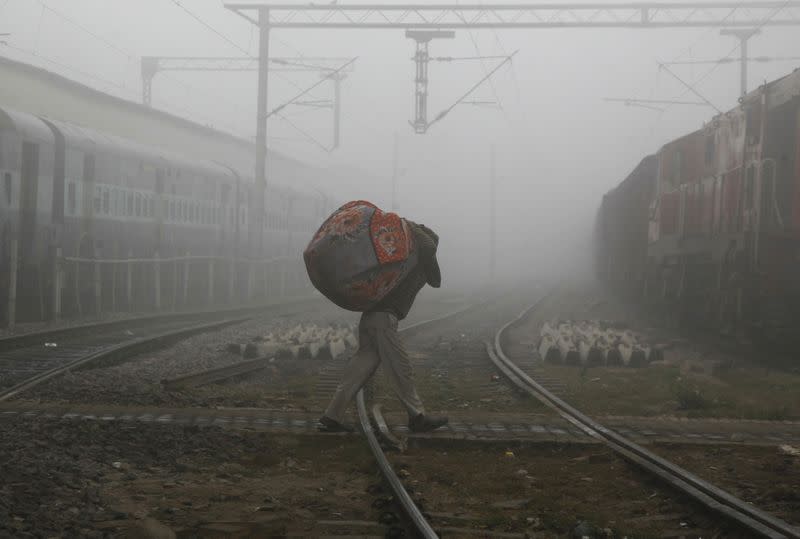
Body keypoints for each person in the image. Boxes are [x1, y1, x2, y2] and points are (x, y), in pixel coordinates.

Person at [318, 221, 449, 433]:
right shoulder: (418, 259)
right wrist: (418, 231)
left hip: (370, 317)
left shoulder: (401, 261)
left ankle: (331, 416)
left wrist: (411, 226)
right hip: (383, 320)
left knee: (358, 370)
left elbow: (435, 277)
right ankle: (417, 416)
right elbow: (435, 272)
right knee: (401, 368)